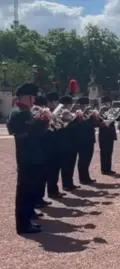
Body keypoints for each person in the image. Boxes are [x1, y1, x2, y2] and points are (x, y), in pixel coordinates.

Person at [7, 83, 47, 234]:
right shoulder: (18, 112)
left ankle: (29, 216)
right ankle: (23, 225)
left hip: (32, 155)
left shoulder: (26, 111)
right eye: (32, 97)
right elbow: (19, 132)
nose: (34, 100)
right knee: (24, 191)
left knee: (30, 190)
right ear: (26, 96)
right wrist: (39, 123)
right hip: (26, 156)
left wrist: (42, 123)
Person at [31, 95, 53, 209]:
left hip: (45, 148)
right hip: (39, 148)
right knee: (38, 176)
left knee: (43, 175)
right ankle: (36, 200)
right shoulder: (35, 112)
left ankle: (40, 198)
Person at [45, 92, 67, 199]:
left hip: (58, 145)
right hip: (49, 146)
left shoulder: (58, 113)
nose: (55, 103)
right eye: (54, 101)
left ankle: (54, 189)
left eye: (56, 101)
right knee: (51, 170)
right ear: (49, 102)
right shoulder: (46, 113)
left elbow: (62, 127)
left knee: (56, 168)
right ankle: (51, 191)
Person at [57, 95, 80, 191]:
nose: (70, 106)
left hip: (72, 142)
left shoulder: (70, 113)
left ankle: (70, 182)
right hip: (64, 142)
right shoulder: (59, 114)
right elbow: (62, 127)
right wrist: (69, 120)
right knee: (66, 164)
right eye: (68, 104)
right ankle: (66, 184)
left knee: (71, 163)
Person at [74, 97, 98, 184]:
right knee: (82, 160)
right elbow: (81, 124)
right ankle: (82, 178)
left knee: (88, 159)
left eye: (86, 105)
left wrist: (94, 117)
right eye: (84, 105)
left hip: (90, 139)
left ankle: (86, 177)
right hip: (82, 139)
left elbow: (94, 124)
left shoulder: (89, 114)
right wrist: (85, 115)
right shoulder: (77, 114)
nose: (85, 106)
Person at [98, 96, 117, 175]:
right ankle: (104, 169)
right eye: (106, 102)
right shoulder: (102, 110)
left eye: (108, 102)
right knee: (104, 152)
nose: (108, 104)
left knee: (109, 152)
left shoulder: (111, 109)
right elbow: (100, 120)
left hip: (110, 134)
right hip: (104, 134)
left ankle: (108, 168)